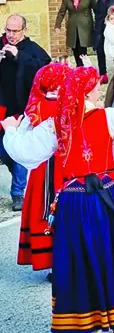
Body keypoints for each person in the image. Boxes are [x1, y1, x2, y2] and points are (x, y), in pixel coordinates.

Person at [2, 66, 114, 333]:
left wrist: (12, 130)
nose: (98, 92)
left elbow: (23, 152)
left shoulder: (56, 124)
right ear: (86, 92)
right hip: (109, 196)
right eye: (94, 88)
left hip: (76, 201)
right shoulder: (108, 117)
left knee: (86, 261)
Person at [7, 63, 71, 273]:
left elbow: (25, 140)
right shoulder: (70, 105)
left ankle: (51, 262)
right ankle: (70, 260)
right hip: (66, 166)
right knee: (69, 210)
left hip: (41, 168)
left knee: (44, 210)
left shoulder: (35, 107)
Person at [0, 15, 51, 211]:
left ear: (24, 31)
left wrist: (19, 57)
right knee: (4, 151)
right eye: (8, 30)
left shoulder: (32, 49)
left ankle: (18, 192)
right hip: (3, 104)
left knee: (19, 148)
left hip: (22, 108)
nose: (11, 35)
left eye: (15, 31)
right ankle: (23, 179)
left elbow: (44, 68)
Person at [54, 0, 96, 68]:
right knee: (74, 48)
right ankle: (79, 67)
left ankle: (83, 68)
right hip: (72, 26)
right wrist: (57, 25)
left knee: (82, 48)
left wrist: (100, 23)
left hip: (85, 26)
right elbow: (62, 12)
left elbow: (96, 10)